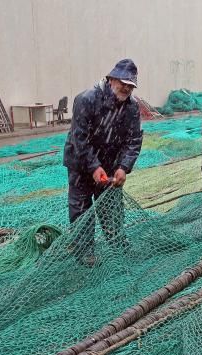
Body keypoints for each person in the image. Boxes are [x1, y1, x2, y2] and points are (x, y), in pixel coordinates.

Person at [62, 58, 143, 263]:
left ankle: (118, 245)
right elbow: (79, 138)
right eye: (122, 83)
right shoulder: (87, 99)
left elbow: (133, 140)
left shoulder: (132, 107)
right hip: (81, 164)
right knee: (81, 209)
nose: (126, 88)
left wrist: (124, 167)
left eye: (130, 85)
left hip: (109, 165)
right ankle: (84, 251)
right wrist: (93, 166)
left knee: (111, 208)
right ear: (111, 79)